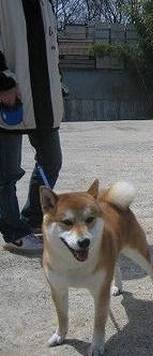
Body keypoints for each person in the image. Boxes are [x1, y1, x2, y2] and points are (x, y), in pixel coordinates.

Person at [0, 1, 63, 253]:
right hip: (10, 93)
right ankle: (13, 232)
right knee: (6, 173)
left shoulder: (45, 3)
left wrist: (59, 83)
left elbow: (51, 48)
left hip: (44, 99)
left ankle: (32, 218)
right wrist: (2, 81)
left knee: (51, 160)